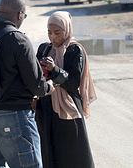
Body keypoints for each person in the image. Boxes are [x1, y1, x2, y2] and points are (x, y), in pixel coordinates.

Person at [0, 0, 54, 168]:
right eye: (24, 15)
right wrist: (49, 87)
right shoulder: (18, 40)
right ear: (19, 15)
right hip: (13, 117)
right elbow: (37, 86)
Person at [35, 11, 97, 168]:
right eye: (49, 33)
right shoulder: (44, 49)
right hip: (46, 109)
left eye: (57, 33)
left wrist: (54, 69)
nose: (53, 37)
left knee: (71, 154)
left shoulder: (75, 51)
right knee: (47, 152)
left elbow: (72, 83)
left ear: (67, 30)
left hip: (67, 112)